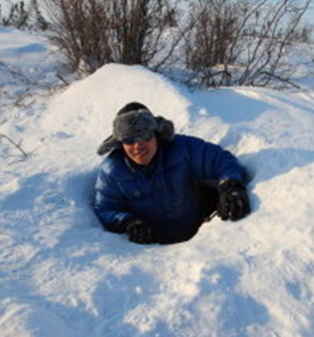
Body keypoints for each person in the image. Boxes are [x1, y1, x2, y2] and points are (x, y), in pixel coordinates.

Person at [93, 102, 250, 244]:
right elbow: (105, 209)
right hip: (156, 255)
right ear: (120, 143)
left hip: (202, 238)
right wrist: (128, 222)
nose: (137, 146)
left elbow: (222, 160)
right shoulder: (112, 171)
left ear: (156, 134)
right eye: (129, 139)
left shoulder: (183, 149)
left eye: (145, 136)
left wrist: (230, 185)